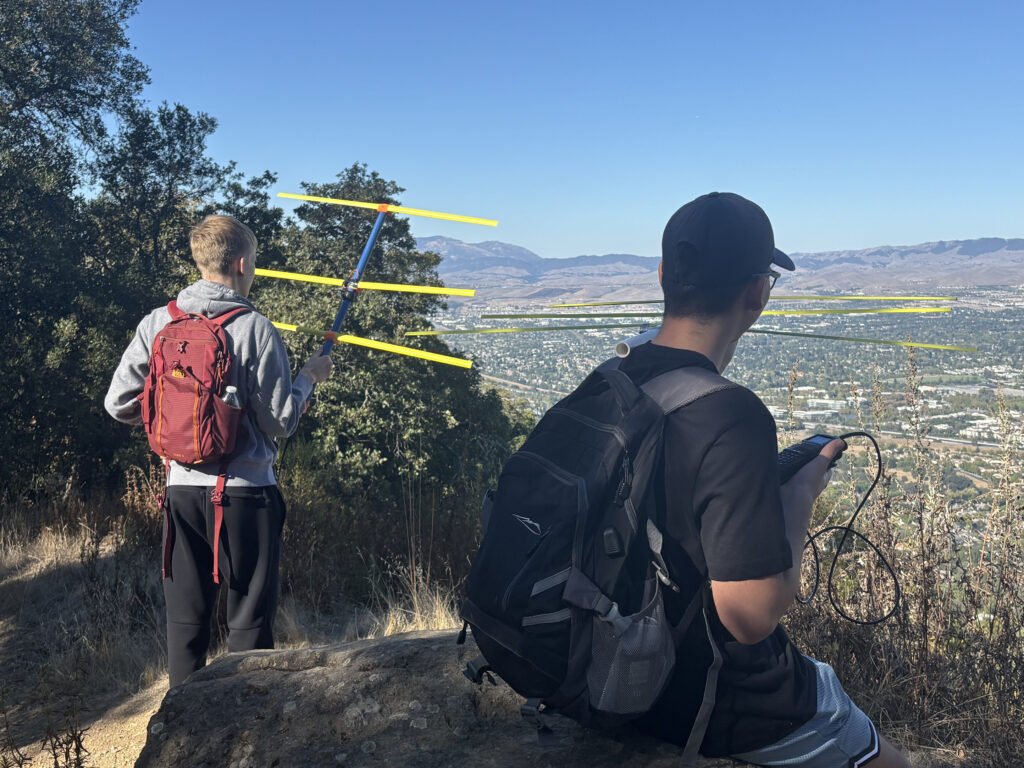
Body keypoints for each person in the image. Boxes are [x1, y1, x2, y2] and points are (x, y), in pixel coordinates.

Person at [624, 193, 909, 767]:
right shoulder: (730, 415)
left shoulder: (612, 378)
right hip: (698, 692)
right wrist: (799, 492)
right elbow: (750, 618)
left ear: (662, 276)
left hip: (603, 653)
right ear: (758, 292)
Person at [104, 215, 333, 688]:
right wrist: (309, 377)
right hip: (246, 496)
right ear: (243, 262)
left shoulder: (159, 322)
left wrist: (170, 424)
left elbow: (118, 404)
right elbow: (281, 422)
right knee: (248, 624)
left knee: (186, 624)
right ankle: (244, 732)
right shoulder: (254, 328)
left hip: (181, 493)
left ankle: (181, 739)